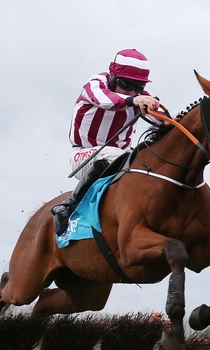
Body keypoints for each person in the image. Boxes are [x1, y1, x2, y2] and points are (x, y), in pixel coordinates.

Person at [51, 49, 163, 236]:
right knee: (122, 157)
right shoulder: (95, 84)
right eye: (126, 84)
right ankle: (69, 206)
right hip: (84, 156)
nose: (132, 90)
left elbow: (165, 120)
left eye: (138, 86)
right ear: (113, 76)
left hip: (120, 155)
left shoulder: (140, 96)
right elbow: (105, 101)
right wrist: (135, 99)